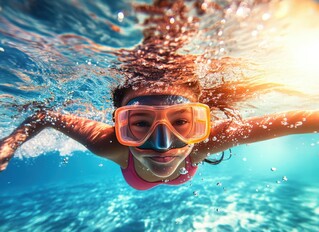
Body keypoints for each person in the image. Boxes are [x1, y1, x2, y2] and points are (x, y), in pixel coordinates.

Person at [0, 77, 318, 190]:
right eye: (139, 122)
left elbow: (294, 119)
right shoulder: (108, 144)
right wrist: (10, 143)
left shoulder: (203, 140)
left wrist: (12, 144)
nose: (162, 144)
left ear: (199, 123)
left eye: (181, 122)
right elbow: (45, 116)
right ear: (119, 126)